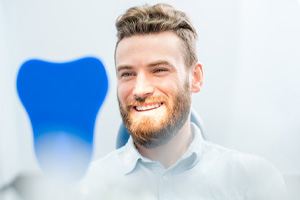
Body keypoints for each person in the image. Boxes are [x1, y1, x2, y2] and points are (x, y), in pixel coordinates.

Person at [80, 3, 287, 200]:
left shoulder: (253, 182)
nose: (140, 89)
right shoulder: (85, 188)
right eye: (127, 74)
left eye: (159, 70)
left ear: (195, 78)